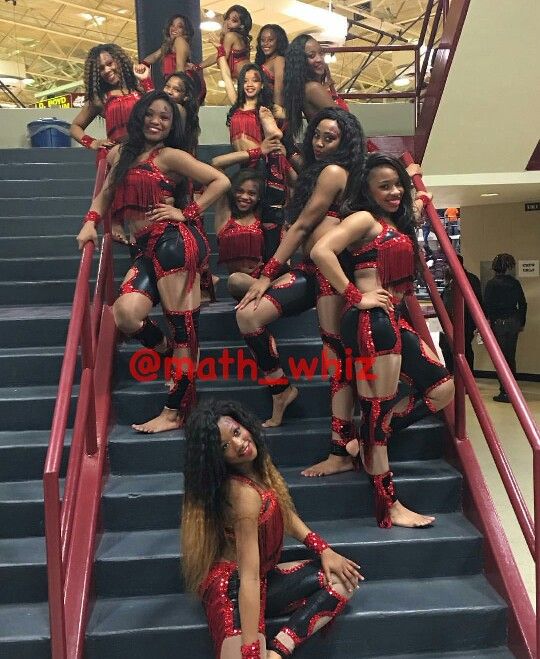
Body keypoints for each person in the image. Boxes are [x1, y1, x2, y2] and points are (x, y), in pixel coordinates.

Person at [310, 153, 455, 528]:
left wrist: (417, 195)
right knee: (375, 408)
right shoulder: (363, 219)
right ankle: (388, 503)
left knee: (443, 389)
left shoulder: (395, 220)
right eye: (384, 186)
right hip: (371, 322)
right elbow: (320, 250)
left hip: (392, 321)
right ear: (367, 191)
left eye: (397, 185)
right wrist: (356, 296)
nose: (393, 192)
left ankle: (368, 437)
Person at [76, 91, 230, 433]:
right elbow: (105, 192)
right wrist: (90, 221)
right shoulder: (121, 153)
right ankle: (170, 356)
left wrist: (187, 211)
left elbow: (221, 180)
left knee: (183, 328)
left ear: (172, 125)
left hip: (175, 243)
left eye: (165, 117)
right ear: (139, 115)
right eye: (151, 114)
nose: (156, 121)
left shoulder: (171, 155)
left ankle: (176, 411)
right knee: (126, 313)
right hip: (144, 249)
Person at [234, 108, 364, 482]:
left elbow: (306, 223)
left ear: (346, 142)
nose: (321, 143)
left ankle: (341, 449)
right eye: (318, 136)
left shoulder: (335, 172)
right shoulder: (316, 170)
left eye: (330, 138)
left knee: (334, 356)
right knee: (248, 316)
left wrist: (267, 273)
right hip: (309, 270)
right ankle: (281, 389)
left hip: (330, 272)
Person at [182, 399, 362, 658]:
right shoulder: (241, 494)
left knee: (344, 579)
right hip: (232, 593)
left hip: (262, 580)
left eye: (236, 432)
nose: (239, 444)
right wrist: (251, 648)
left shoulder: (255, 467)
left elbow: (283, 514)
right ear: (215, 457)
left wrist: (323, 550)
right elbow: (248, 577)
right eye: (224, 446)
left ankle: (277, 652)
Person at [70, 43, 154, 243]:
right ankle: (116, 220)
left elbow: (158, 107)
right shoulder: (100, 98)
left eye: (110, 63)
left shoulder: (139, 87)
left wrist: (147, 81)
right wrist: (92, 142)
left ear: (119, 60)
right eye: (101, 68)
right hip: (119, 154)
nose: (107, 70)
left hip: (146, 150)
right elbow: (75, 127)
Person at [283, 34, 350, 144]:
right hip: (334, 149)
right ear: (301, 61)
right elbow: (348, 122)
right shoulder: (313, 88)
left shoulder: (309, 87)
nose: (319, 59)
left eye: (321, 53)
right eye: (311, 56)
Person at [484, 253, 527, 403]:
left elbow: (487, 305)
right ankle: (512, 390)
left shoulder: (491, 284)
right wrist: (522, 322)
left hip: (499, 323)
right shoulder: (514, 283)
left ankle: (504, 391)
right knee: (510, 357)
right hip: (513, 321)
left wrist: (487, 322)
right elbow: (523, 303)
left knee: (500, 358)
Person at [141, 14, 206, 105]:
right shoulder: (168, 46)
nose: (174, 28)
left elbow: (180, 69)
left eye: (179, 26)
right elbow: (149, 60)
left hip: (183, 84)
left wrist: (177, 89)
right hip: (176, 86)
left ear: (185, 31)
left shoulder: (179, 40)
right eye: (172, 25)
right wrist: (142, 66)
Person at [215, 169, 265, 277]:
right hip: (237, 284)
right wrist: (257, 152)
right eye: (240, 191)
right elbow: (217, 165)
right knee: (236, 280)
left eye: (251, 193)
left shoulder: (262, 219)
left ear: (259, 197)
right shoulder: (225, 218)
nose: (244, 197)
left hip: (263, 282)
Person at [439, 254, 483, 374]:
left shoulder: (465, 280)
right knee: (455, 348)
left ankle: (462, 376)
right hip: (455, 322)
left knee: (462, 349)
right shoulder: (461, 280)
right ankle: (460, 375)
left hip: (464, 322)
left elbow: (477, 302)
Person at [201, 5, 252, 80]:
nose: (228, 22)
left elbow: (220, 62)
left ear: (242, 25)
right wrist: (198, 66)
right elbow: (218, 55)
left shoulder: (230, 36)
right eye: (228, 18)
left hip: (245, 79)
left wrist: (223, 35)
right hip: (247, 77)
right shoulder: (244, 39)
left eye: (234, 20)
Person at [254, 24, 288, 107]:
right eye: (262, 40)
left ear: (279, 41)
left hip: (273, 114)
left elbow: (278, 93)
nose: (265, 43)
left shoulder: (279, 60)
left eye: (270, 40)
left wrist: (276, 117)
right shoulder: (262, 62)